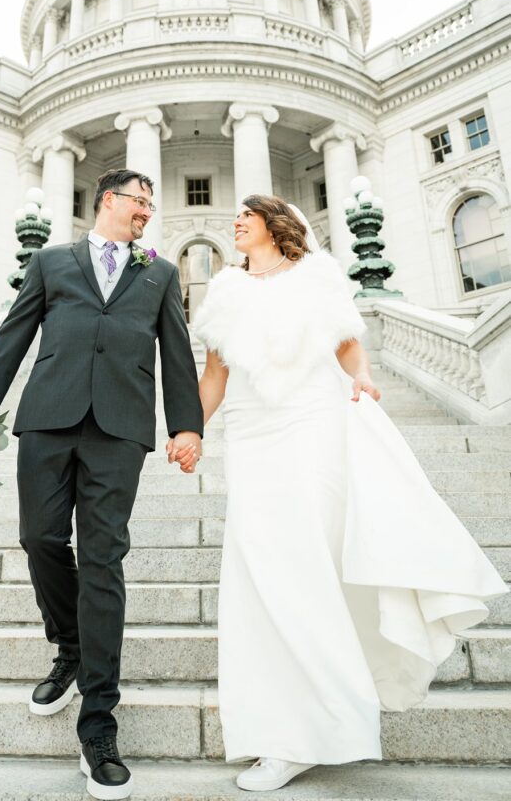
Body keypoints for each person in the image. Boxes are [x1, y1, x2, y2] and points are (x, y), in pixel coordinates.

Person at [185, 193, 508, 793]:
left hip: (313, 425)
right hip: (253, 440)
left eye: (246, 215)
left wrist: (361, 377)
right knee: (261, 577)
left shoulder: (316, 277)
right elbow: (215, 373)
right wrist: (189, 431)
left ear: (276, 225)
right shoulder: (224, 291)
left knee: (308, 570)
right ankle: (285, 729)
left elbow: (346, 342)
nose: (235, 221)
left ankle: (312, 731)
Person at [0, 169, 203, 801]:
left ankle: (98, 726)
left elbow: (176, 354)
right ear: (107, 202)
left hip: (120, 431)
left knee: (102, 560)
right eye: (138, 201)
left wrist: (187, 426)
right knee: (38, 537)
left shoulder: (159, 273)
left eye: (152, 204)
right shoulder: (50, 261)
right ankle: (69, 643)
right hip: (48, 419)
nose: (146, 211)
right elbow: (11, 338)